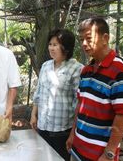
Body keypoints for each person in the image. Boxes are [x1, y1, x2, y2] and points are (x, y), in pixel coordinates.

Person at [66, 17, 123, 161]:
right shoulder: (86, 70)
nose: (84, 44)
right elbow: (80, 105)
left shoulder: (121, 70)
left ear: (105, 38)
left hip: (99, 155)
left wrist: (109, 153)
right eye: (81, 39)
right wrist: (72, 135)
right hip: (77, 148)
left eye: (89, 38)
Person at [30, 29, 83, 161]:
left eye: (55, 45)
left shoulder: (77, 68)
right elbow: (39, 92)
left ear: (66, 47)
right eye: (50, 44)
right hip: (43, 127)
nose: (51, 48)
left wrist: (73, 134)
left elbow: (78, 103)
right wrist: (33, 115)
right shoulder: (45, 66)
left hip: (62, 131)